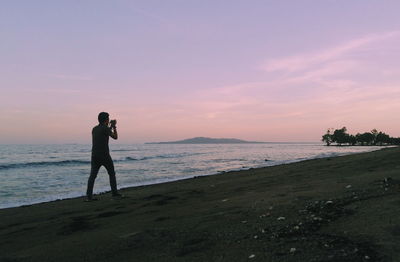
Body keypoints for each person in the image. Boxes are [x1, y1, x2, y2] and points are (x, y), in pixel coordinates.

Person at [86, 112, 122, 201]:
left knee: (92, 176)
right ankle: (114, 193)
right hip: (104, 155)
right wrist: (114, 126)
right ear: (106, 120)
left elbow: (104, 132)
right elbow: (115, 137)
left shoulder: (94, 129)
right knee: (111, 174)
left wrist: (109, 126)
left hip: (94, 155)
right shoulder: (105, 128)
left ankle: (89, 197)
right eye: (108, 119)